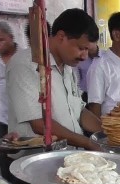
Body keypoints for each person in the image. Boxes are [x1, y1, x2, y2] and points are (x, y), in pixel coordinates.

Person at [7, 8, 101, 152]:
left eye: (88, 50)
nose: (84, 56)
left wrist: (108, 132)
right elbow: (39, 124)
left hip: (71, 156)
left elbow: (79, 110)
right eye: (82, 48)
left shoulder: (68, 66)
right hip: (38, 162)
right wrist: (88, 143)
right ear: (61, 36)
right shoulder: (26, 65)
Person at [0, 21, 17, 179]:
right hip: (3, 119)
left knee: (21, 158)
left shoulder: (23, 56)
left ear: (11, 38)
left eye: (1, 40)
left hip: (21, 119)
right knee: (4, 160)